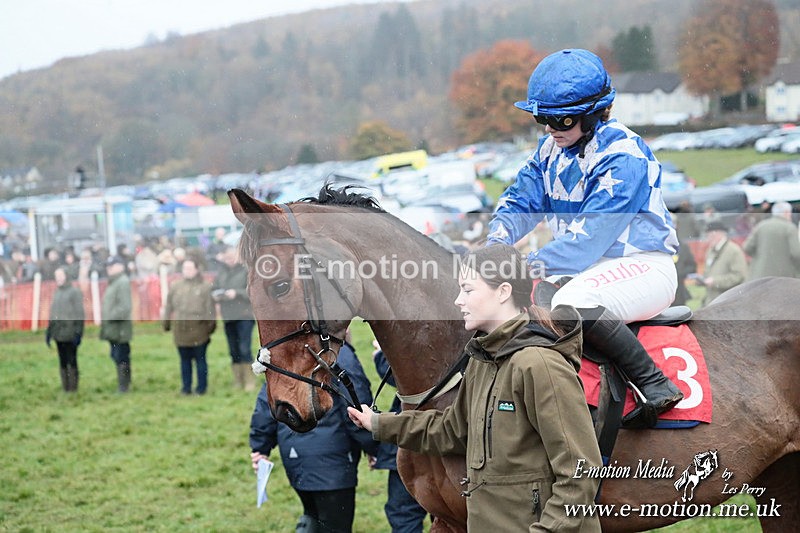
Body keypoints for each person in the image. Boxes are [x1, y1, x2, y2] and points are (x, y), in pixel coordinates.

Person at [485, 48, 682, 427]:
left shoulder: (623, 155)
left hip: (642, 266)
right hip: (586, 270)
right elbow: (520, 201)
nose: (548, 128)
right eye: (541, 118)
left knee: (571, 303)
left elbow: (587, 240)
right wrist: (496, 245)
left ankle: (654, 383)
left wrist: (522, 266)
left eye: (558, 119)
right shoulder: (550, 150)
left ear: (592, 113)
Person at [348, 245, 602, 532]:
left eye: (468, 290)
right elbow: (452, 430)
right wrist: (379, 423)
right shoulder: (482, 361)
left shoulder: (539, 364)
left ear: (503, 291)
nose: (458, 300)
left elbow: (580, 472)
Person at [250, 336, 378, 533]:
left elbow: (268, 401)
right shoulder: (338, 354)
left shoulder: (288, 352)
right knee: (335, 524)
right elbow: (356, 405)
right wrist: (372, 445)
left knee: (313, 514)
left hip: (295, 458)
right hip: (333, 464)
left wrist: (260, 447)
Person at [371, 347, 428, 533]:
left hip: (410, 439)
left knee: (404, 513)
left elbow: (410, 376)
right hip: (412, 438)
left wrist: (380, 356)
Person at [162, 258, 216, 395]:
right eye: (185, 268)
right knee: (184, 361)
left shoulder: (205, 287)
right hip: (180, 331)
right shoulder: (176, 286)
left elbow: (210, 310)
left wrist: (209, 328)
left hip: (199, 331)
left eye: (190, 268)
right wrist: (166, 323)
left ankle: (201, 388)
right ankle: (186, 388)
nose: (187, 271)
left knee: (200, 360)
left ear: (196, 270)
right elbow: (169, 306)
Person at [211, 245, 255, 390]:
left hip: (244, 316)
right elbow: (214, 287)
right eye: (227, 258)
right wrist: (217, 294)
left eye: (231, 257)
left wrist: (237, 293)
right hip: (228, 316)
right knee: (233, 350)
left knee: (244, 349)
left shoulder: (246, 270)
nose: (229, 260)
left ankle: (249, 381)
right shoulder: (221, 272)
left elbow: (253, 291)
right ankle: (238, 380)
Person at [46, 267, 85, 392]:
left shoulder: (74, 292)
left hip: (70, 333)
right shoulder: (57, 293)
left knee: (71, 360)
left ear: (66, 276)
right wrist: (49, 331)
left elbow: (80, 314)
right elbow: (53, 314)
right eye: (56, 276)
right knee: (62, 360)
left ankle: (73, 388)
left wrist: (78, 332)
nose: (58, 278)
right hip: (58, 333)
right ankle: (65, 387)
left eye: (60, 275)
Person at [100, 256, 133, 392]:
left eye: (111, 266)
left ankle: (124, 385)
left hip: (120, 328)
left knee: (121, 356)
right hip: (113, 328)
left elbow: (125, 307)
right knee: (116, 355)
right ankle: (125, 382)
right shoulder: (114, 282)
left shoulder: (122, 282)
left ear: (120, 266)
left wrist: (110, 316)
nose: (109, 268)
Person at [742, 201, 800, 280]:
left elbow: (747, 247)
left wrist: (760, 257)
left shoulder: (761, 226)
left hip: (759, 277)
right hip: (782, 277)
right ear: (786, 212)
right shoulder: (790, 228)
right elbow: (796, 253)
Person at [697, 220, 748, 305]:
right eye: (708, 236)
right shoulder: (710, 251)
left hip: (729, 301)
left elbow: (739, 276)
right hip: (712, 300)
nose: (708, 239)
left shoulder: (734, 250)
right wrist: (703, 280)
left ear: (720, 234)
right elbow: (708, 272)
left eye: (711, 235)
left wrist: (715, 282)